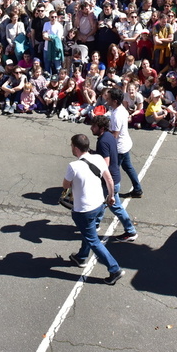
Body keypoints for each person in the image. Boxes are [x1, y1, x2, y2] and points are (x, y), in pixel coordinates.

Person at [63, 134, 125, 286]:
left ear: (76, 148)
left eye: (71, 146)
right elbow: (109, 179)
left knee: (93, 240)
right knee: (89, 232)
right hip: (99, 204)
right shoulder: (97, 158)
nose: (71, 148)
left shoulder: (73, 166)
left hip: (83, 210)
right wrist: (111, 196)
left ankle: (114, 269)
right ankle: (81, 256)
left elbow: (65, 186)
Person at [89, 114, 138, 242]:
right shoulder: (109, 136)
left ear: (101, 128)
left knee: (113, 206)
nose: (91, 128)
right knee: (102, 202)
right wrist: (94, 153)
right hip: (114, 178)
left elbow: (105, 164)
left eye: (93, 126)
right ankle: (96, 224)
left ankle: (130, 231)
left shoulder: (102, 141)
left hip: (109, 180)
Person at [106, 87, 142, 199]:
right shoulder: (121, 109)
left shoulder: (116, 115)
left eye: (109, 98)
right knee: (128, 167)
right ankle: (137, 189)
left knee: (112, 171)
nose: (107, 99)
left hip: (119, 148)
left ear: (115, 101)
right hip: (125, 144)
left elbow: (114, 135)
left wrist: (104, 134)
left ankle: (111, 193)